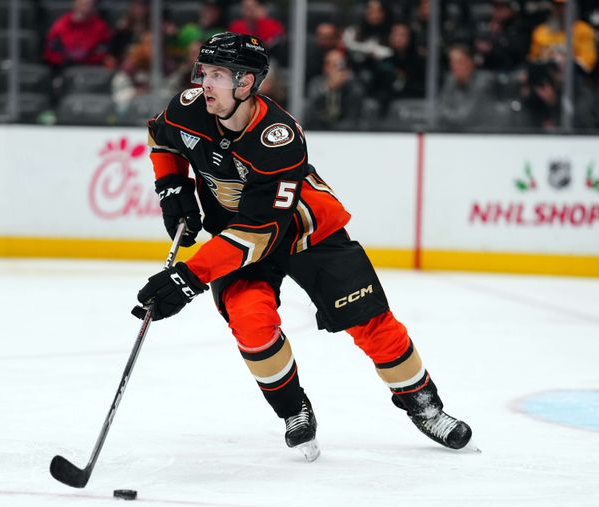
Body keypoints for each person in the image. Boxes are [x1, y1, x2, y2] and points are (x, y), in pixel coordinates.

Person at [134, 32, 473, 461]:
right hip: (237, 236)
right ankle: (294, 411)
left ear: (246, 83)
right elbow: (161, 138)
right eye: (205, 72)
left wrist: (189, 277)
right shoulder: (190, 107)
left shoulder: (279, 138)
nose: (206, 83)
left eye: (218, 75)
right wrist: (171, 186)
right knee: (251, 325)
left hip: (307, 232)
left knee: (371, 322)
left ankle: (426, 407)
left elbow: (259, 234)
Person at [528, 0, 598, 74]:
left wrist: (563, 61)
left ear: (573, 8)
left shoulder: (583, 30)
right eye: (557, 6)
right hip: (546, 76)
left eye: (564, 6)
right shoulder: (540, 31)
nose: (560, 10)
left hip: (573, 76)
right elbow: (533, 59)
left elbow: (587, 63)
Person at [438, 43, 497, 130]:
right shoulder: (450, 80)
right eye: (452, 62)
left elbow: (466, 117)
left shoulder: (482, 83)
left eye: (459, 62)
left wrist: (445, 115)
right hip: (453, 134)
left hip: (480, 135)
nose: (455, 66)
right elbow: (439, 109)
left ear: (471, 62)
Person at [304, 48, 365, 131]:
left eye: (341, 65)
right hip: (319, 126)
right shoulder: (316, 82)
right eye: (334, 65)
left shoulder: (352, 85)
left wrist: (347, 83)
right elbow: (311, 106)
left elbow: (355, 110)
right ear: (325, 67)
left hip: (344, 128)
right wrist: (328, 88)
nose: (338, 69)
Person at [43, 0, 115, 70]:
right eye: (81, 3)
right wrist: (64, 60)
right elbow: (50, 50)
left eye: (88, 3)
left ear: (93, 5)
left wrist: (86, 60)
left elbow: (103, 51)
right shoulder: (60, 25)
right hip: (63, 68)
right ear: (74, 3)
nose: (84, 6)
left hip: (91, 68)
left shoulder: (100, 27)